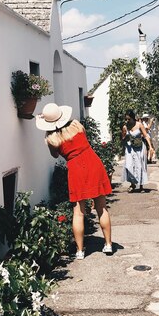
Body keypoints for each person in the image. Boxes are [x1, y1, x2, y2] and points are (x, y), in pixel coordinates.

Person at [36, 102, 113, 260]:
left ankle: (79, 251)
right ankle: (108, 245)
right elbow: (84, 138)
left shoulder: (51, 138)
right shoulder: (77, 125)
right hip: (92, 162)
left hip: (75, 168)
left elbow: (55, 156)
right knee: (101, 207)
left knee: (78, 212)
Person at [121, 109, 152, 192]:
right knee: (129, 165)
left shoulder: (139, 125)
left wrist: (150, 147)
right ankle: (133, 183)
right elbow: (123, 138)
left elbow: (146, 136)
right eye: (126, 119)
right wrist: (125, 138)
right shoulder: (125, 127)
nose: (127, 121)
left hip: (139, 148)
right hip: (130, 148)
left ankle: (141, 185)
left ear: (132, 118)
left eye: (129, 119)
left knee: (140, 165)